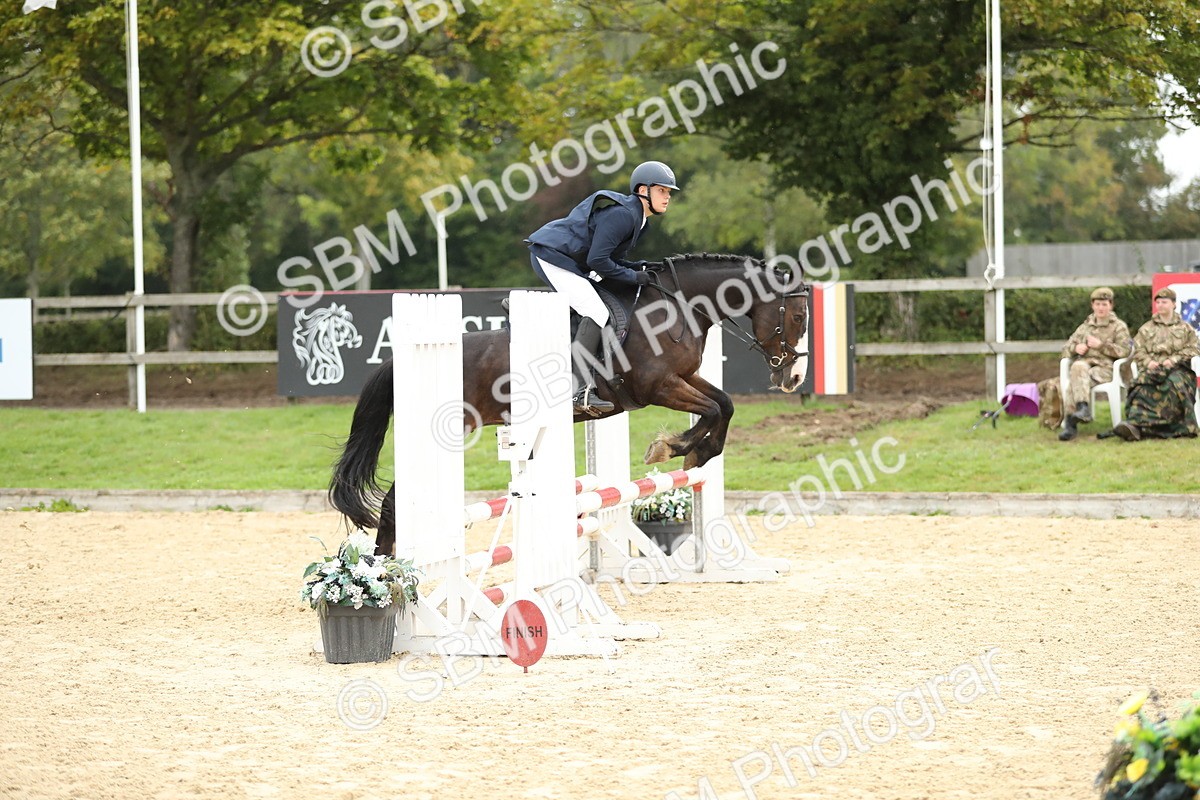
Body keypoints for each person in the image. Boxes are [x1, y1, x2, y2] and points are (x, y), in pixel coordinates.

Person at [524, 160, 679, 416]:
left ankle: (534, 316)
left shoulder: (640, 221)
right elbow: (598, 261)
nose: (667, 197)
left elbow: (610, 259)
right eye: (662, 190)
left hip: (572, 260)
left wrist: (637, 267)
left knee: (596, 305)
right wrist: (632, 277)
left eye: (668, 192)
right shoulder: (622, 215)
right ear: (643, 190)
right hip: (552, 255)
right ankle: (580, 391)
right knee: (596, 311)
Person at [1113, 287, 1200, 441]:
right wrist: (1149, 362)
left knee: (1173, 385)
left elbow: (1194, 348)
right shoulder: (1147, 328)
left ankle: (1174, 426)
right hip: (1153, 369)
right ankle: (1135, 426)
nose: (1160, 305)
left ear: (1173, 304)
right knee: (1140, 388)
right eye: (1158, 302)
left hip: (1177, 369)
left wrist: (1174, 359)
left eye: (1164, 302)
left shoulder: (1185, 328)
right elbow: (1138, 350)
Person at [1057, 287, 1132, 441]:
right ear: (1092, 305)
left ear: (1111, 305)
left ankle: (1071, 424)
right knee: (1078, 367)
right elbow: (1065, 349)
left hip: (1106, 369)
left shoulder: (1118, 327)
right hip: (1084, 368)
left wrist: (1101, 345)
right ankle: (1082, 409)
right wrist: (1075, 348)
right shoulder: (1085, 327)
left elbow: (1126, 352)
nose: (1100, 308)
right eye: (1097, 304)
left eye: (1104, 304)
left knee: (1075, 380)